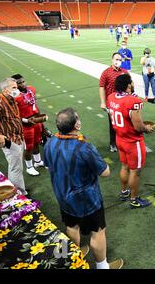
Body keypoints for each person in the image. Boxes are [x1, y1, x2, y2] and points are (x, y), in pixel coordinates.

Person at [43, 108, 123, 269]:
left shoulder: (49, 142)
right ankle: (102, 267)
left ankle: (74, 257)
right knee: (98, 231)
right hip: (87, 200)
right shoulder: (84, 147)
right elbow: (105, 172)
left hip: (62, 196)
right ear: (76, 125)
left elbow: (47, 166)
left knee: (71, 226)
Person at [107, 74, 154, 208]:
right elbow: (138, 126)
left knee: (124, 166)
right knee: (135, 171)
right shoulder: (133, 101)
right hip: (133, 141)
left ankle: (124, 192)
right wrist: (147, 128)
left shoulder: (111, 97)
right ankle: (134, 199)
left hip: (119, 138)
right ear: (128, 85)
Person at [0, 78, 26, 194]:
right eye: (14, 87)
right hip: (10, 140)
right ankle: (19, 194)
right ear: (5, 90)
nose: (17, 90)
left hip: (18, 138)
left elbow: (13, 117)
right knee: (15, 169)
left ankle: (17, 189)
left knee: (16, 167)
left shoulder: (11, 99)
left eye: (17, 87)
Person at [11, 74, 47, 176]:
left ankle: (38, 161)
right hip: (25, 124)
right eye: (19, 83)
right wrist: (27, 121)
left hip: (35, 120)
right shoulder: (14, 97)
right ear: (15, 85)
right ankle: (29, 167)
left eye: (23, 81)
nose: (23, 84)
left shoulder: (31, 89)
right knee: (29, 147)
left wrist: (40, 120)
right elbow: (14, 116)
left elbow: (34, 104)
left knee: (37, 142)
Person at [99, 52, 129, 152]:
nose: (118, 61)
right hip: (112, 104)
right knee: (113, 125)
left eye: (120, 60)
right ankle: (113, 143)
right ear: (112, 60)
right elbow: (102, 87)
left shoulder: (125, 72)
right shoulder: (106, 72)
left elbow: (130, 86)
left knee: (125, 124)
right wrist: (103, 102)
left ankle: (123, 142)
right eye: (116, 59)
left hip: (124, 104)